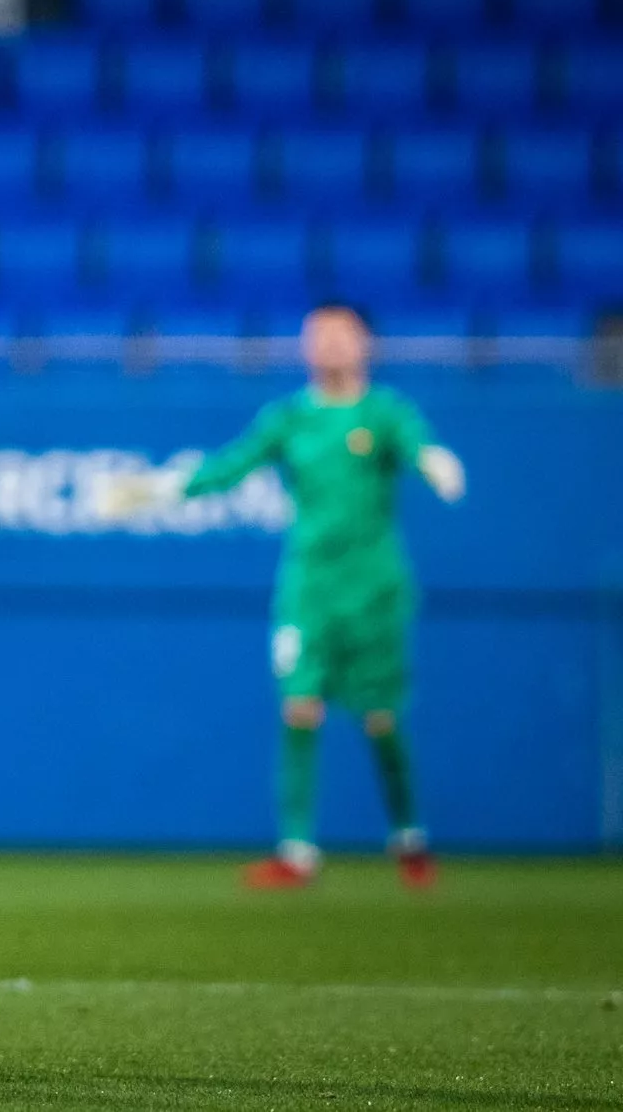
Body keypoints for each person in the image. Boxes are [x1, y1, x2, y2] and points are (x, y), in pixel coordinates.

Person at [108, 304, 465, 890]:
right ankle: (297, 852)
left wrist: (435, 463)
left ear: (366, 344)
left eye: (341, 334)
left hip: (374, 588)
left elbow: (418, 444)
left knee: (381, 717)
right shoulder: (289, 417)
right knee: (300, 705)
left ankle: (409, 836)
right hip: (309, 588)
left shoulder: (384, 412)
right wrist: (157, 489)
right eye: (317, 335)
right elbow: (228, 467)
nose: (329, 345)